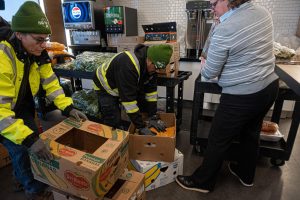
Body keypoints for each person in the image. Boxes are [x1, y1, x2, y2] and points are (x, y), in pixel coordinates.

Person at [176, 0, 279, 193]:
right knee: (251, 133)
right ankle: (245, 174)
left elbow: (209, 73)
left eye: (213, 3)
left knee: (217, 139)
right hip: (269, 88)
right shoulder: (263, 13)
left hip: (242, 95)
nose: (211, 7)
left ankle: (203, 182)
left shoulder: (227, 28)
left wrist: (206, 58)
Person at [0, 1, 87, 199]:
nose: (43, 45)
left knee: (28, 149)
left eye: (45, 40)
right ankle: (33, 191)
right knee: (23, 148)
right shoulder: (3, 56)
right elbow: (1, 111)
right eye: (39, 40)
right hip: (3, 113)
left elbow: (51, 83)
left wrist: (68, 108)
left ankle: (19, 177)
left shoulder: (38, 53)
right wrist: (30, 140)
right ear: (20, 34)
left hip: (21, 107)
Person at [93, 44, 173, 135]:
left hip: (122, 83)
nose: (157, 71)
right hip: (105, 86)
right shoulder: (128, 65)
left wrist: (152, 116)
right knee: (113, 119)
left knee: (142, 106)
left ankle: (129, 127)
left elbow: (151, 93)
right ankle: (111, 142)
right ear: (149, 60)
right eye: (156, 68)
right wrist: (141, 127)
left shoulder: (151, 69)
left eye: (160, 69)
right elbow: (129, 101)